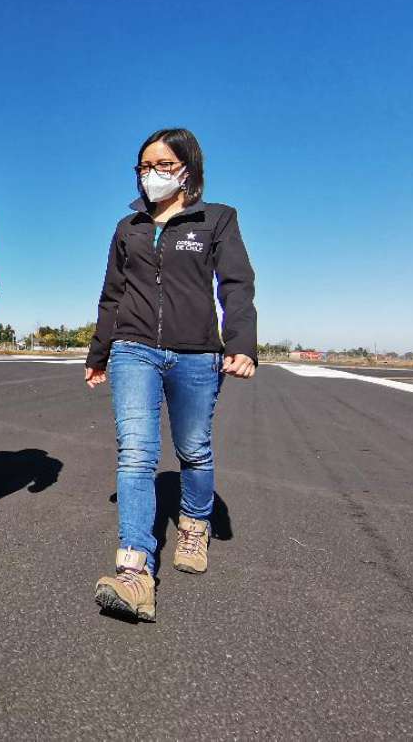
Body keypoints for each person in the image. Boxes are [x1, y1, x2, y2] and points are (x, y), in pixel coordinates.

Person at [85, 128, 257, 621]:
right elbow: (111, 295)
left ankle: (195, 523)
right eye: (144, 166)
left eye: (163, 165)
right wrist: (99, 352)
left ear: (187, 169)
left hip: (198, 354)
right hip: (133, 349)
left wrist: (241, 343)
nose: (152, 174)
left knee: (193, 449)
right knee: (136, 453)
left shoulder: (216, 219)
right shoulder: (129, 226)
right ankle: (134, 573)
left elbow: (237, 284)